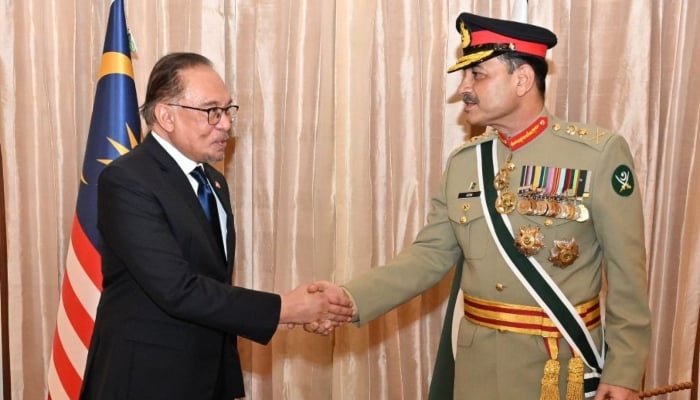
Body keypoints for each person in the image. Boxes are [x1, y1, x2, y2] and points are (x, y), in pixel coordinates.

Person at [308, 12, 651, 400]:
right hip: (477, 369)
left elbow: (627, 276)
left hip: (557, 367)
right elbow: (428, 256)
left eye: (478, 75)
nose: (464, 88)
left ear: (522, 79)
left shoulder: (596, 154)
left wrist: (623, 373)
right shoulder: (464, 163)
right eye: (464, 76)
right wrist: (350, 298)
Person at [79, 52, 353, 400]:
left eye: (227, 110)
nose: (225, 124)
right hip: (147, 379)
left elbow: (214, 286)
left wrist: (227, 384)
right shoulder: (128, 180)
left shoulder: (212, 182)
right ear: (166, 116)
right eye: (212, 111)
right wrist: (288, 307)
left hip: (206, 378)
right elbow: (179, 290)